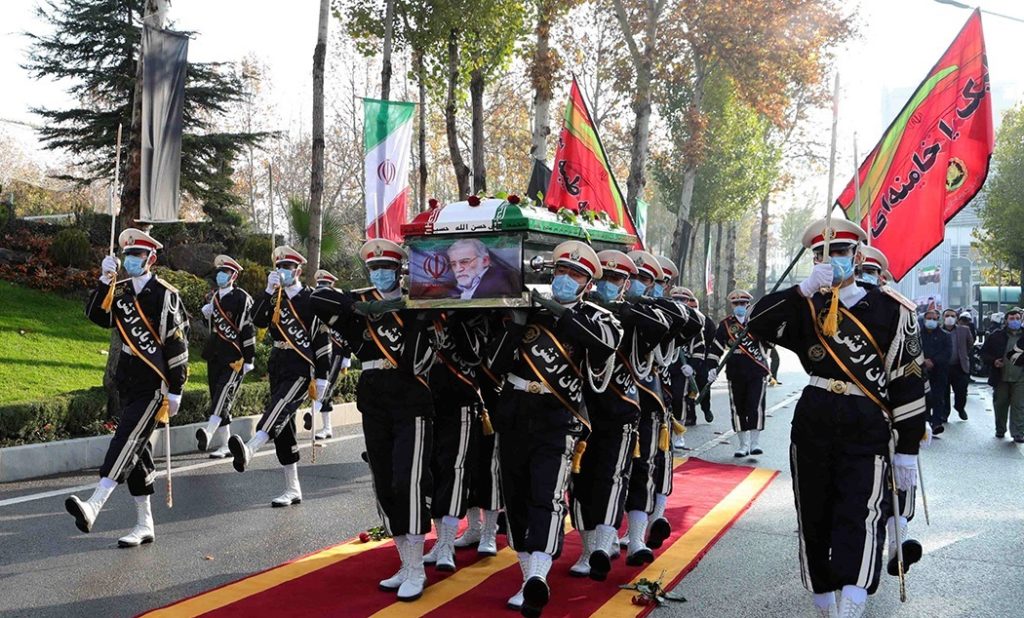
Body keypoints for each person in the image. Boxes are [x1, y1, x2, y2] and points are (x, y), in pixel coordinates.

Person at [746, 217, 926, 618]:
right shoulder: (805, 305)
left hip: (867, 426)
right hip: (814, 423)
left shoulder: (891, 310)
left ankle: (852, 604)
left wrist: (908, 449)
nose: (832, 261)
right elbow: (755, 324)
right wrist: (802, 290)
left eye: (840, 252)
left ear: (858, 256)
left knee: (860, 514)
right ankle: (823, 597)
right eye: (822, 255)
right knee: (813, 513)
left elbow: (908, 381)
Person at [487, 240, 622, 617]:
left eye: (575, 275)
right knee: (515, 493)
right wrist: (515, 325)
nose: (565, 279)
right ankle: (526, 570)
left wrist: (557, 311)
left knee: (546, 495)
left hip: (557, 418)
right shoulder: (528, 310)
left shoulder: (599, 318)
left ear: (587, 284)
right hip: (515, 412)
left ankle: (538, 577)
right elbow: (493, 364)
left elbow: (602, 346)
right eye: (560, 271)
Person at [310, 239, 437, 602]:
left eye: (387, 268)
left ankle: (417, 568)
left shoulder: (417, 304)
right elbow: (316, 300)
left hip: (410, 398)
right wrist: (362, 305)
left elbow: (415, 362)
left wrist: (409, 310)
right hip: (374, 398)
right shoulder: (363, 306)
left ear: (399, 271)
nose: (380, 274)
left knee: (406, 481)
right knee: (384, 482)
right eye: (374, 269)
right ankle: (404, 561)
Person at [69, 228, 189, 547]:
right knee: (138, 452)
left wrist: (176, 389)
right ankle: (144, 523)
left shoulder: (165, 295)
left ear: (151, 258)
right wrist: (104, 281)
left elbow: (177, 345)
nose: (130, 260)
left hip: (154, 385)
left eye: (136, 255)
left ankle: (94, 506)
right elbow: (97, 315)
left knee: (125, 439)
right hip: (129, 381)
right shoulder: (121, 292)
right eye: (127, 255)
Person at [569, 250, 669, 582]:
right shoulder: (584, 312)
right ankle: (589, 548)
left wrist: (627, 309)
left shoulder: (640, 313)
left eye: (617, 279)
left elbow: (673, 325)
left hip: (625, 410)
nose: (608, 285)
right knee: (582, 482)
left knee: (618, 477)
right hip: (585, 411)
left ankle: (611, 542)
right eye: (604, 278)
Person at [228, 247, 331, 508]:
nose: (283, 271)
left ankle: (250, 449)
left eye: (288, 267)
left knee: (279, 407)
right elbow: (257, 320)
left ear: (297, 270)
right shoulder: (275, 296)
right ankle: (292, 487)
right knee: (284, 426)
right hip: (279, 362)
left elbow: (321, 340)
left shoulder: (311, 299)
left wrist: (322, 379)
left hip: (302, 365)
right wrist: (267, 292)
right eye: (280, 267)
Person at [422, 309, 488, 573]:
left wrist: (456, 317)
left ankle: (448, 544)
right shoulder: (423, 312)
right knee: (433, 473)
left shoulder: (473, 316)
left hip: (461, 401)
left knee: (454, 471)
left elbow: (473, 355)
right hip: (426, 401)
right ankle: (441, 541)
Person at [195, 255, 255, 459]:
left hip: (235, 357)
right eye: (219, 272)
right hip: (215, 354)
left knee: (223, 394)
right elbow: (212, 329)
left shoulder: (241, 298)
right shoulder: (213, 297)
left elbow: (247, 329)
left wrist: (250, 358)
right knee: (218, 397)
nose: (221, 275)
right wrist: (206, 314)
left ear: (234, 275)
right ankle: (225, 444)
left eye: (226, 272)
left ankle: (209, 432)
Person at [708, 290, 771, 458]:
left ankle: (755, 443)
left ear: (747, 304)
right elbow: (716, 348)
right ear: (732, 306)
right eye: (736, 304)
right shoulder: (726, 325)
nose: (739, 307)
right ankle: (742, 444)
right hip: (735, 370)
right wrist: (711, 367)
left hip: (756, 370)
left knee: (755, 405)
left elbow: (770, 343)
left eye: (743, 303)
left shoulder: (757, 322)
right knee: (739, 407)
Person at [304, 269, 349, 440]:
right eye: (320, 284)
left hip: (336, 350)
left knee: (327, 386)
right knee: (321, 387)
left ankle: (312, 415)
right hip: (319, 351)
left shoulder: (339, 301)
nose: (322, 287)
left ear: (332, 285)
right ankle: (326, 426)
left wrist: (347, 355)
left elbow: (347, 329)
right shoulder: (313, 302)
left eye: (325, 284)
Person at [980, 307, 1024, 442]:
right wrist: (993, 361)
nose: (1015, 321)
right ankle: (1000, 429)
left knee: (1019, 405)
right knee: (1000, 404)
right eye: (1012, 319)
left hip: (1020, 378)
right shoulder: (996, 335)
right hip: (1001, 377)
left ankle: (1018, 432)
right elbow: (983, 353)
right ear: (1005, 321)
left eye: (1017, 318)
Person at [670, 287, 705, 426]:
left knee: (679, 398)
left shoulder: (695, 322)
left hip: (682, 369)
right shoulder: (665, 316)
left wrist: (692, 366)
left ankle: (679, 428)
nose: (679, 302)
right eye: (676, 299)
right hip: (664, 366)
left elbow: (699, 348)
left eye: (683, 300)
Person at [446, 237, 519, 299]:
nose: (458, 269)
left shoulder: (500, 282)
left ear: (485, 261)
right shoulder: (454, 289)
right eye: (453, 264)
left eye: (464, 262)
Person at [920, 308, 952, 435]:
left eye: (934, 319)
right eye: (929, 318)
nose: (931, 321)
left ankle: (936, 423)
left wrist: (933, 361)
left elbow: (947, 353)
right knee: (925, 397)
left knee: (938, 398)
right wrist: (923, 361)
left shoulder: (945, 336)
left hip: (939, 371)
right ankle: (926, 421)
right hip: (921, 371)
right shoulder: (917, 334)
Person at [943, 307, 974, 421]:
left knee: (961, 391)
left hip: (959, 366)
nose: (949, 318)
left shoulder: (964, 330)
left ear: (956, 318)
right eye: (947, 316)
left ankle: (960, 407)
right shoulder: (939, 331)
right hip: (944, 367)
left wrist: (963, 354)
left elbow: (970, 344)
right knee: (943, 392)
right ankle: (944, 413)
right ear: (943, 318)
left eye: (952, 316)